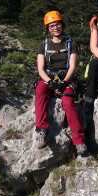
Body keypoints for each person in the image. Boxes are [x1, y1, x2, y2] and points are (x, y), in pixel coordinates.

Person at [34, 11, 88, 156]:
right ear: (48, 29)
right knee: (40, 92)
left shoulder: (70, 44)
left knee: (69, 103)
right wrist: (51, 83)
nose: (55, 28)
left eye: (57, 24)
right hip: (48, 78)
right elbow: (41, 69)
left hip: (66, 79)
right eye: (51, 26)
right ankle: (41, 130)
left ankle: (79, 141)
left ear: (62, 25)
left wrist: (63, 83)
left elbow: (72, 67)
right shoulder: (44, 45)